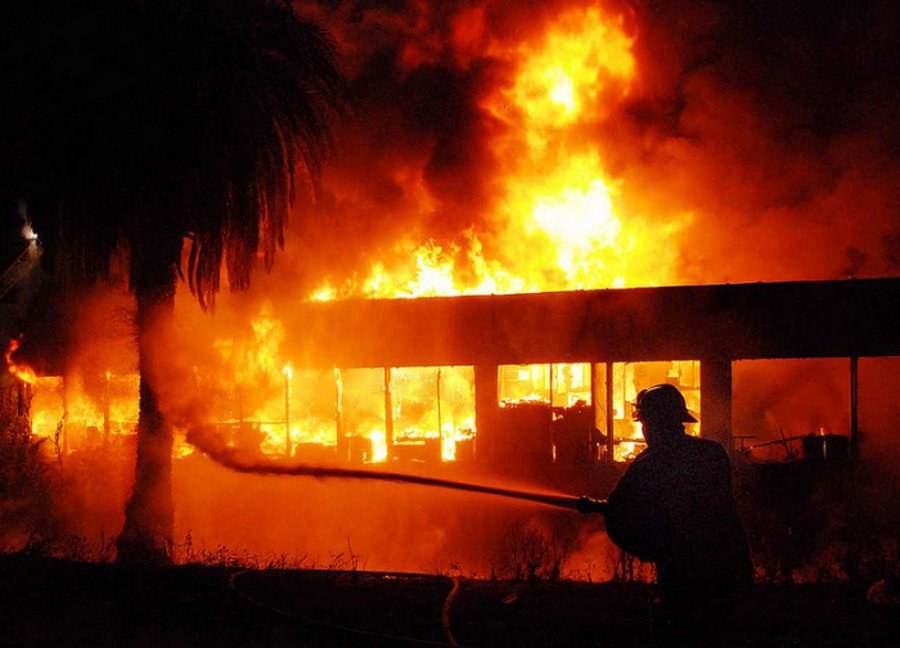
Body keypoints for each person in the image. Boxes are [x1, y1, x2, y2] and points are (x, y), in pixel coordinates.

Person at [603, 384, 753, 645]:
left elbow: (618, 515)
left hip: (683, 582)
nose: (644, 430)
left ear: (652, 424)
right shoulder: (712, 454)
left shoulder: (648, 464)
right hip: (731, 573)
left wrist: (650, 547)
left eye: (644, 423)